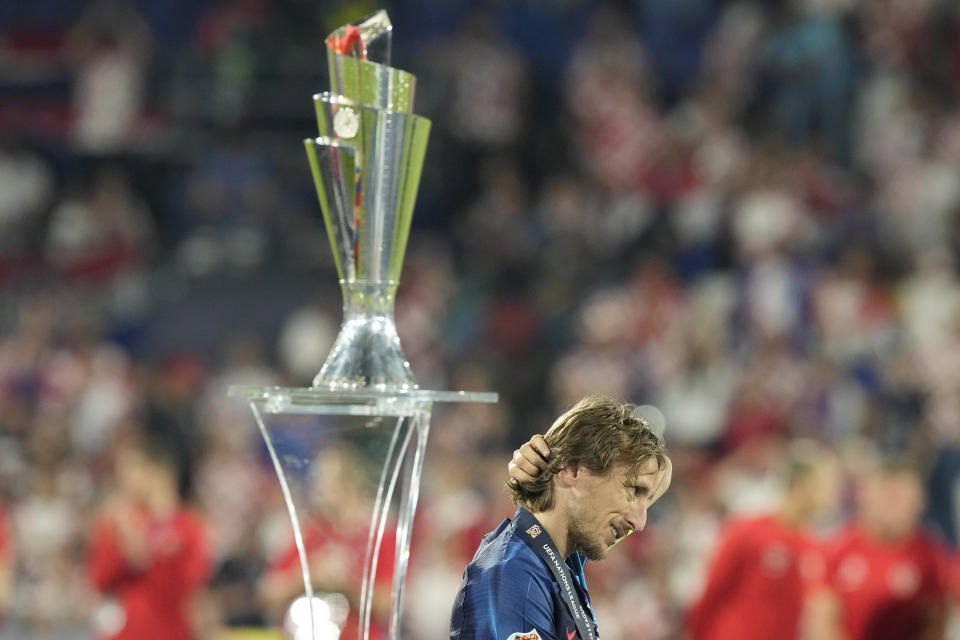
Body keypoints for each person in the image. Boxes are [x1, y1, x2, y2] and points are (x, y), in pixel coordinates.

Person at [450, 395, 672, 640]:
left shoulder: (560, 561)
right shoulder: (515, 580)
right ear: (574, 470)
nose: (639, 523)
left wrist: (548, 467)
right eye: (633, 490)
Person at [686, 440, 838, 640]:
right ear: (801, 485)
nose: (830, 498)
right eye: (825, 486)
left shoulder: (814, 547)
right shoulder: (748, 530)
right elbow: (713, 590)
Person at [805, 457, 950, 640]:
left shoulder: (930, 557)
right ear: (864, 497)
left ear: (919, 502)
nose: (892, 506)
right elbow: (823, 621)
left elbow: (934, 625)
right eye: (885, 495)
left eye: (900, 498)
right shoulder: (836, 548)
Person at [87, 429, 211, 640]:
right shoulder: (117, 521)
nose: (123, 477)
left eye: (131, 467)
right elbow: (100, 580)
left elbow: (186, 586)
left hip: (171, 632)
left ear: (159, 471)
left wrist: (146, 551)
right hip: (123, 633)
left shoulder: (190, 526)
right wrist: (126, 550)